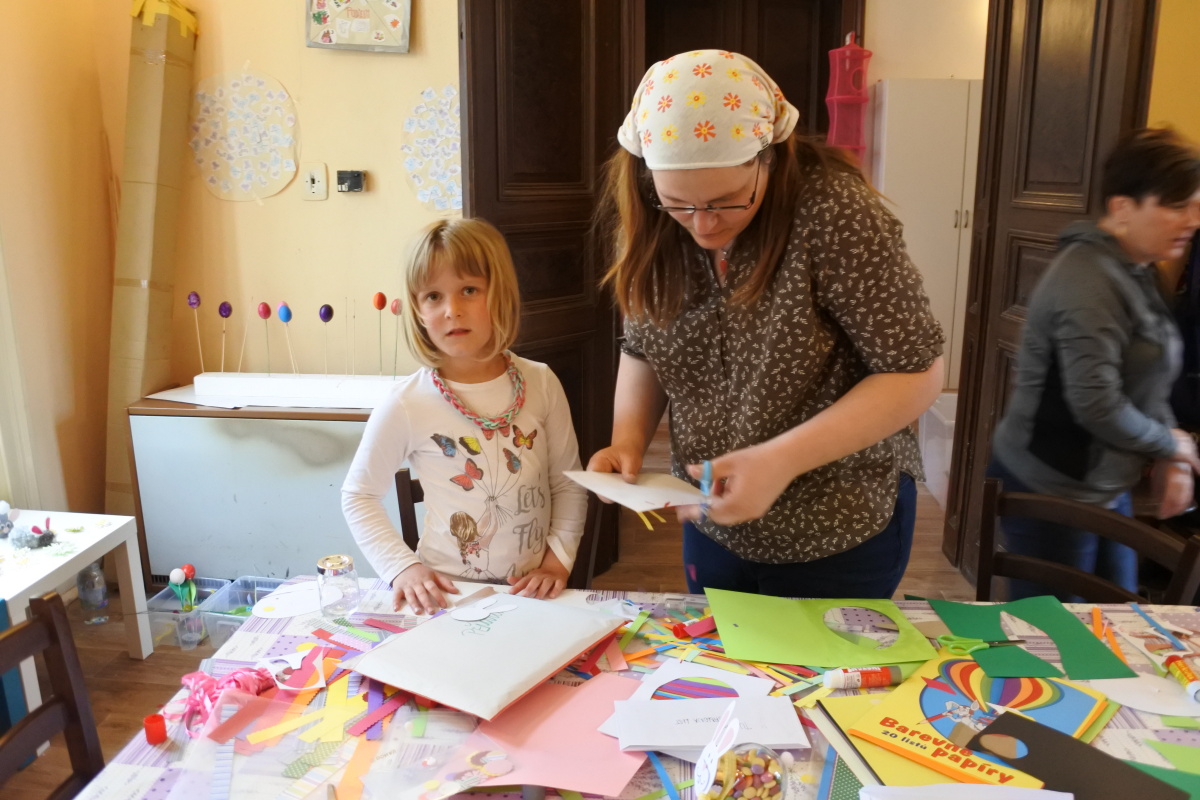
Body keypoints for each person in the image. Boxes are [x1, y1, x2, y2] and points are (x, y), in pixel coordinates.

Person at [587, 49, 945, 599]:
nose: (703, 225)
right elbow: (643, 347)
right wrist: (627, 442)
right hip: (712, 520)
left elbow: (915, 372)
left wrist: (780, 461)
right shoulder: (648, 215)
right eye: (678, 203)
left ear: (770, 157)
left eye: (728, 201)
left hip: (835, 524)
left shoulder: (835, 212)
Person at [989, 128, 1200, 601]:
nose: (1193, 219)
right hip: (1051, 484)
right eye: (1177, 206)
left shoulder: (1139, 267)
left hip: (1102, 480)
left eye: (1195, 204)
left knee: (1117, 612)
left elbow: (1151, 375)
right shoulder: (1087, 281)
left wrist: (1172, 453)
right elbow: (1097, 404)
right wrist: (1173, 444)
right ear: (1123, 208)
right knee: (1051, 628)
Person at [342, 218, 588, 614]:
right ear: (418, 310)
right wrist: (402, 567)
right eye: (433, 296)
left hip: (534, 596)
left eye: (469, 290)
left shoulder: (541, 382)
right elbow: (359, 496)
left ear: (500, 294)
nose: (452, 311)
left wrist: (557, 562)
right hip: (447, 597)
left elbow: (568, 484)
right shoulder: (406, 402)